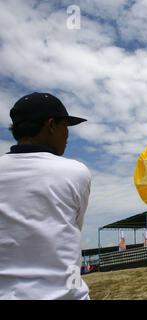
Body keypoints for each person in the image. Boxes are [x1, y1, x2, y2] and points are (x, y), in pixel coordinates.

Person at [0, 92, 91, 299]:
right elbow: (74, 230)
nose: (67, 135)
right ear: (51, 125)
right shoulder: (76, 172)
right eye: (65, 126)